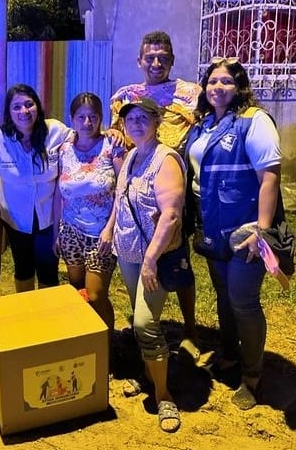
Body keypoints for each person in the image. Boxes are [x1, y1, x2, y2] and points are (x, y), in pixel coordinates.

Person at [185, 58, 283, 410]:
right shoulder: (202, 125)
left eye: (227, 81)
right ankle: (229, 356)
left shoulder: (254, 121)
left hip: (245, 230)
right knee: (224, 297)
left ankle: (252, 376)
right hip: (213, 227)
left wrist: (262, 230)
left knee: (243, 301)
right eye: (213, 81)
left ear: (239, 86)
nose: (218, 87)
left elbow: (270, 176)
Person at [110, 30, 202, 362]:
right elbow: (116, 132)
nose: (156, 63)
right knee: (138, 254)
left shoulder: (191, 94)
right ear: (140, 61)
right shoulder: (125, 96)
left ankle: (190, 330)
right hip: (137, 182)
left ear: (172, 61)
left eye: (163, 57)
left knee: (178, 259)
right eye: (150, 57)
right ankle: (148, 324)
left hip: (174, 182)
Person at [112, 96, 188, 433]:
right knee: (143, 317)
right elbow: (121, 199)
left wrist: (151, 261)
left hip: (152, 259)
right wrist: (109, 231)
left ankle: (164, 394)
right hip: (129, 255)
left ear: (157, 123)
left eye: (144, 118)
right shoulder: (132, 156)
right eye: (130, 119)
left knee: (143, 322)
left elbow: (170, 216)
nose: (136, 124)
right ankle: (148, 373)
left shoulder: (165, 159)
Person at [0, 84, 74, 292]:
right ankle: (25, 309)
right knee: (23, 267)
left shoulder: (56, 131)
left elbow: (84, 137)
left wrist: (108, 134)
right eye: (17, 107)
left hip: (48, 215)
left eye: (29, 104)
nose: (24, 111)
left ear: (38, 106)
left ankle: (49, 311)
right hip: (14, 216)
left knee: (48, 269)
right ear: (9, 113)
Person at [55, 92, 125, 332]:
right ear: (72, 119)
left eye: (93, 117)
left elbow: (122, 190)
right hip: (70, 231)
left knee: (96, 295)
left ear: (100, 119)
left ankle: (106, 345)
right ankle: (85, 338)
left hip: (101, 234)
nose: (87, 122)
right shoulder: (64, 149)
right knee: (78, 291)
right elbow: (59, 193)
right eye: (81, 117)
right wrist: (56, 233)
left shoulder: (112, 146)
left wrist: (110, 229)